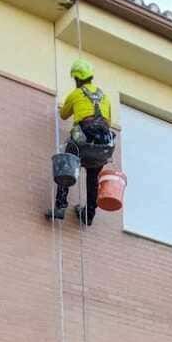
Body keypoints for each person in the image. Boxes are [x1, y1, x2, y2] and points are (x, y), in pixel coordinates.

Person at [48, 59, 114, 225]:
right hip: (103, 145)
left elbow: (63, 114)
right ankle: (89, 214)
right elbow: (109, 122)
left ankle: (60, 207)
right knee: (93, 177)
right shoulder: (105, 97)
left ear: (77, 79)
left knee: (67, 163)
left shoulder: (76, 94)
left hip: (83, 140)